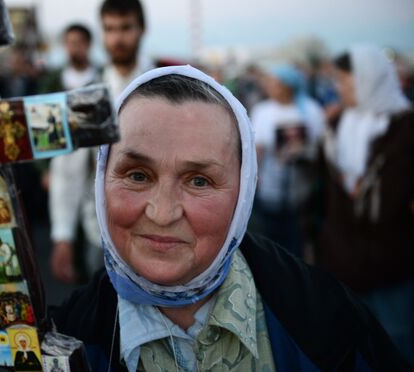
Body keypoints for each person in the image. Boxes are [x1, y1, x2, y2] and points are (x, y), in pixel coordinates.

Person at [49, 65, 410, 371]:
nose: (162, 213)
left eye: (199, 181)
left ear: (243, 191)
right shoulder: (61, 340)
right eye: (137, 175)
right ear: (101, 178)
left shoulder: (327, 318)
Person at [318, 45, 414, 365]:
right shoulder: (336, 125)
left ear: (369, 80)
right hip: (343, 258)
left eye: (346, 80)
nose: (338, 88)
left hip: (391, 261)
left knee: (396, 339)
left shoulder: (405, 127)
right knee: (351, 339)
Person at [49, 0, 149, 283]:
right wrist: (62, 237)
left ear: (141, 29)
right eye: (110, 29)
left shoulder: (166, 88)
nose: (118, 38)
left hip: (157, 231)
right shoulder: (88, 98)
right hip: (100, 233)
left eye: (126, 28)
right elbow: (67, 172)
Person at [250, 65, 325, 258]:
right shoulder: (263, 110)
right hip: (270, 186)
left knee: (298, 237)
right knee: (271, 236)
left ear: (288, 86)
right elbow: (257, 148)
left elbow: (320, 146)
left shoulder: (310, 109)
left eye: (274, 83)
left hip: (302, 189)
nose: (269, 87)